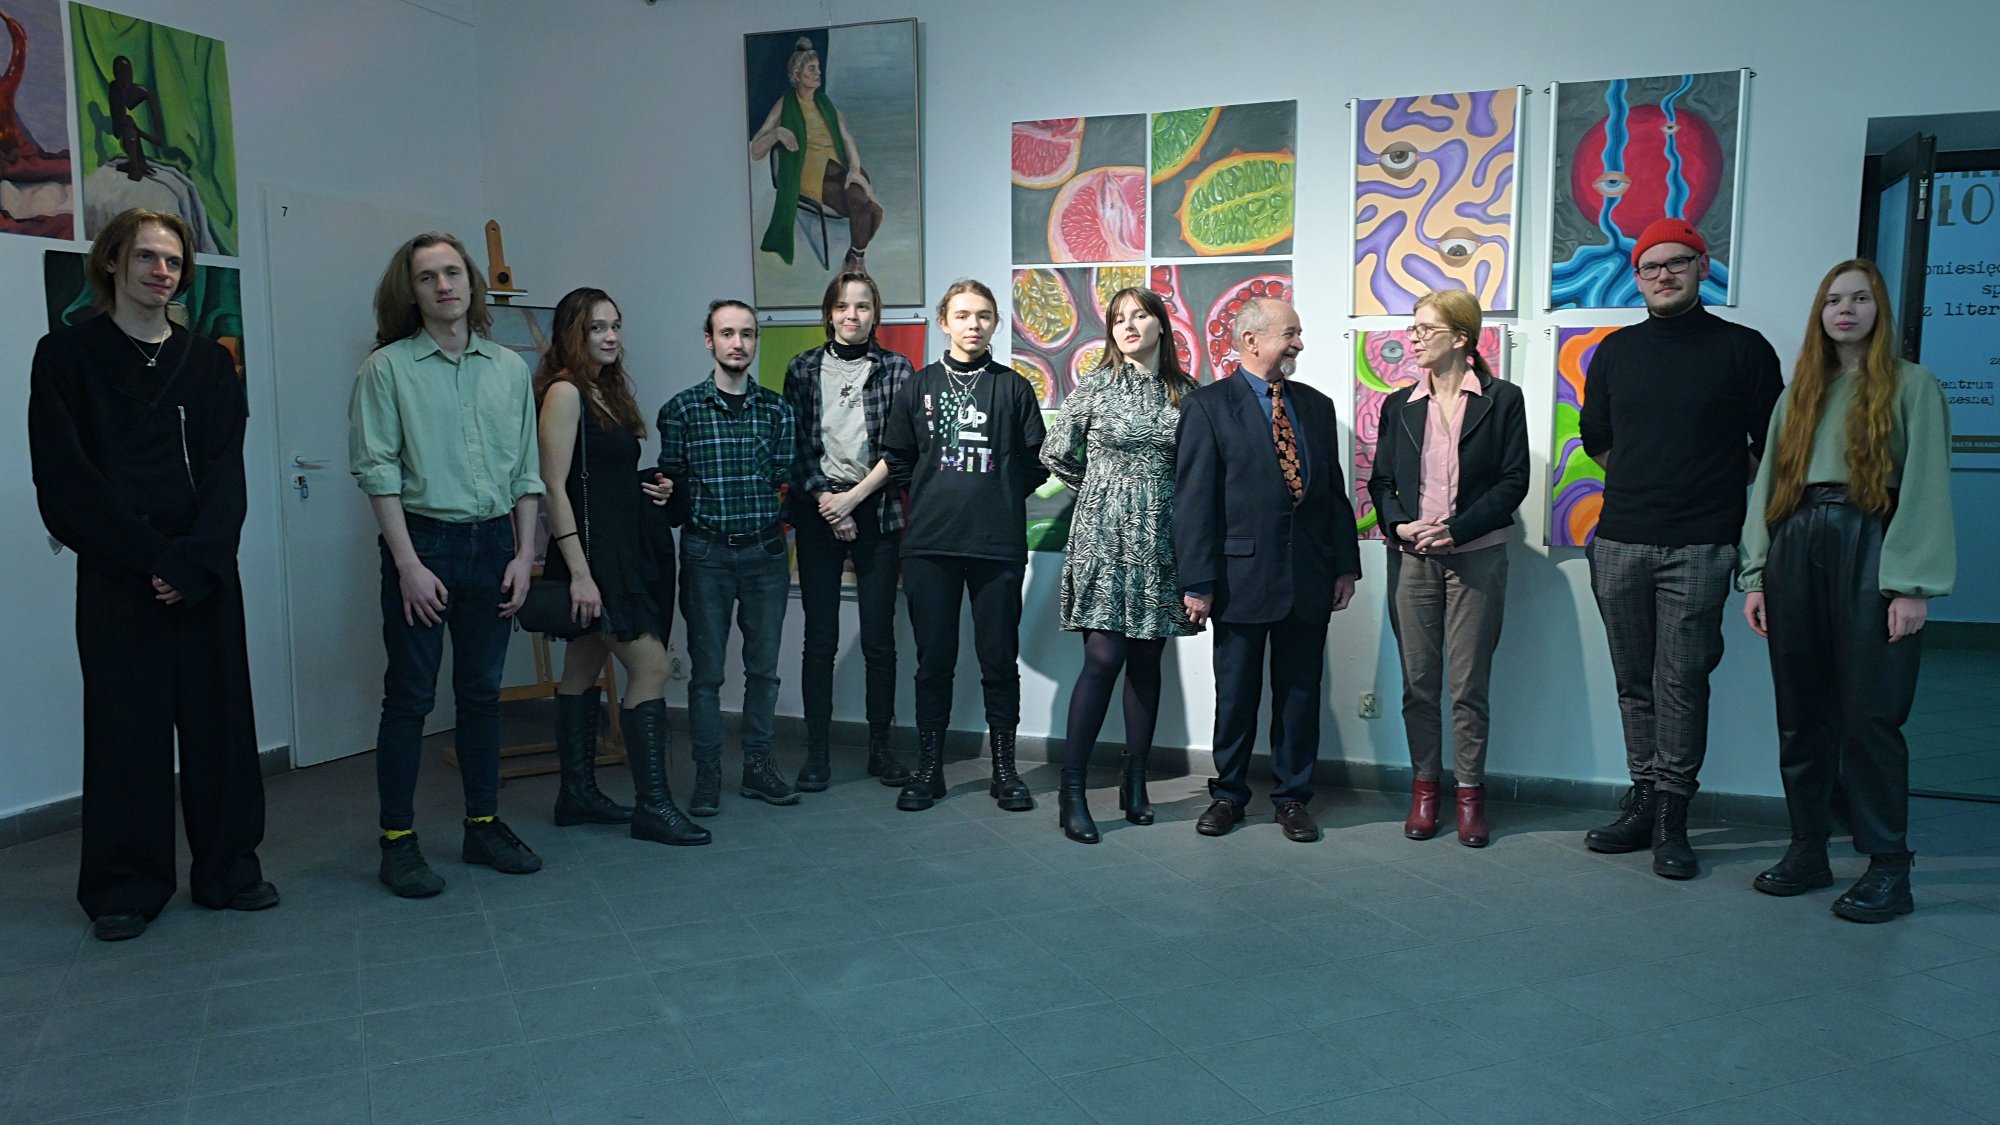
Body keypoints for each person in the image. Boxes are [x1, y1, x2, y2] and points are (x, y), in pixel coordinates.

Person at [28, 207, 275, 941]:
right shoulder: (66, 356)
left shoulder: (208, 363)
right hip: (120, 575)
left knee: (220, 725)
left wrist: (195, 561)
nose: (161, 271)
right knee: (124, 731)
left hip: (203, 575)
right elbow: (65, 480)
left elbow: (227, 474)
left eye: (172, 261)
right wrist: (151, 560)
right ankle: (125, 886)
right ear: (112, 262)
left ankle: (229, 869)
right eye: (146, 257)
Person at [1739, 259, 1954, 922]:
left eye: (1860, 298)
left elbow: (1925, 486)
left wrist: (1910, 585)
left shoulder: (1914, 386)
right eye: (1834, 300)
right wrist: (1757, 572)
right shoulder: (1801, 393)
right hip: (1798, 543)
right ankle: (1808, 848)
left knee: (1870, 714)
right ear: (1821, 313)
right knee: (1802, 712)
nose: (1846, 310)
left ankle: (1889, 865)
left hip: (1873, 540)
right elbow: (1770, 484)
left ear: (1878, 309)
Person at [1578, 217, 1784, 879]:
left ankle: (1673, 816)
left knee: (1682, 684)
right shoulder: (1615, 351)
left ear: (1702, 267)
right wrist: (1649, 476)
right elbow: (1597, 440)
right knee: (1633, 682)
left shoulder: (1744, 350)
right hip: (1619, 541)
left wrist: (1710, 480)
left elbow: (1774, 448)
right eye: (1651, 266)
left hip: (1701, 545)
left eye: (1677, 262)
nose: (1663, 274)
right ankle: (1642, 799)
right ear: (1636, 277)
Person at [350, 231, 545, 898]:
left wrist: (524, 553)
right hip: (424, 546)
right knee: (409, 697)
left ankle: (482, 825)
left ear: (471, 282)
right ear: (410, 291)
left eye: (453, 272)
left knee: (481, 694)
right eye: (428, 276)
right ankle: (397, 840)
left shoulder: (509, 368)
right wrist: (407, 563)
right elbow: (377, 471)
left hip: (494, 547)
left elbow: (526, 471)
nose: (443, 286)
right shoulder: (387, 369)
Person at [1175, 297, 1362, 843]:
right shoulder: (1208, 406)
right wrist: (1197, 582)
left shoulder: (1317, 407)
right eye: (1290, 333)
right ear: (1251, 340)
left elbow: (1332, 495)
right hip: (1239, 579)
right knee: (1236, 695)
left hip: (1309, 575)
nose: (1299, 343)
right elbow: (1194, 502)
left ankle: (1292, 798)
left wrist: (1344, 566)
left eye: (1298, 333)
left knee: (1300, 694)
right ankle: (1228, 795)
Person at [535, 287, 708, 846]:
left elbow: (600, 481)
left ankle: (576, 796)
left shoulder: (601, 390)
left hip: (615, 550)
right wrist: (579, 573)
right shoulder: (565, 392)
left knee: (582, 667)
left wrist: (650, 487)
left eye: (615, 326)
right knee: (651, 667)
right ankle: (653, 805)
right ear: (572, 334)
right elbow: (553, 488)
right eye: (596, 328)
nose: (611, 337)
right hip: (594, 560)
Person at [1367, 290, 1528, 848]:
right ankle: (1424, 790)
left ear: (1460, 338)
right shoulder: (1399, 405)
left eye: (1425, 329)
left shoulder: (1502, 400)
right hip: (1411, 557)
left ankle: (1469, 795)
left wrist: (1457, 529)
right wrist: (1399, 526)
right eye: (1412, 328)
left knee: (1467, 685)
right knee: (1418, 684)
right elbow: (1381, 482)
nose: (1413, 338)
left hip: (1477, 556)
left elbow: (1513, 481)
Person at [881, 278, 1048, 812]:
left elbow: (1035, 462)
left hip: (996, 545)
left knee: (998, 661)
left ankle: (1005, 770)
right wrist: (935, 495)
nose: (973, 324)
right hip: (930, 545)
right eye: (962, 315)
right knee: (934, 662)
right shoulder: (919, 386)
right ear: (944, 322)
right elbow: (898, 457)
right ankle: (930, 770)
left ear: (995, 323)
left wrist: (996, 496)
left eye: (983, 315)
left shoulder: (1013, 388)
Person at [1041, 286, 1198, 844]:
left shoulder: (1187, 394)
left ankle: (1136, 782)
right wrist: (1101, 491)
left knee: (1147, 661)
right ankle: (1074, 791)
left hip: (1160, 539)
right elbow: (1054, 451)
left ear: (1161, 325)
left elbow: (1198, 469)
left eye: (1139, 316)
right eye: (1117, 319)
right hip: (1103, 537)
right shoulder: (1097, 385)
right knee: (1103, 658)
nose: (1127, 326)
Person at [657, 300, 799, 816]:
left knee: (763, 670)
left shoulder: (778, 411)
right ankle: (708, 771)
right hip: (706, 553)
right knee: (707, 673)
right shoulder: (681, 410)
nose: (738, 343)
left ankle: (758, 766)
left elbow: (784, 479)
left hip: (764, 552)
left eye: (747, 334)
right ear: (709, 340)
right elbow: (671, 483)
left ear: (755, 340)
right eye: (727, 333)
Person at [782, 271, 915, 790]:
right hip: (817, 510)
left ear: (875, 314)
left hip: (875, 510)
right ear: (829, 313)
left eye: (862, 306)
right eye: (842, 306)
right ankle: (816, 753)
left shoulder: (896, 368)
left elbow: (900, 450)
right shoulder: (802, 367)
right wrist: (827, 502)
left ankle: (881, 749)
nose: (851, 315)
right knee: (819, 638)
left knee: (879, 639)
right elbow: (795, 445)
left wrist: (852, 501)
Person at [749, 36, 884, 274]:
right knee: (867, 207)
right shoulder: (785, 105)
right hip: (809, 174)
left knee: (873, 210)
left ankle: (854, 256)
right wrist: (777, 133)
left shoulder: (825, 104)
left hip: (836, 167)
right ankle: (856, 261)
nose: (818, 73)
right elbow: (755, 150)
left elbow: (846, 138)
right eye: (812, 69)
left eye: (819, 68)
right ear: (797, 74)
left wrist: (854, 167)